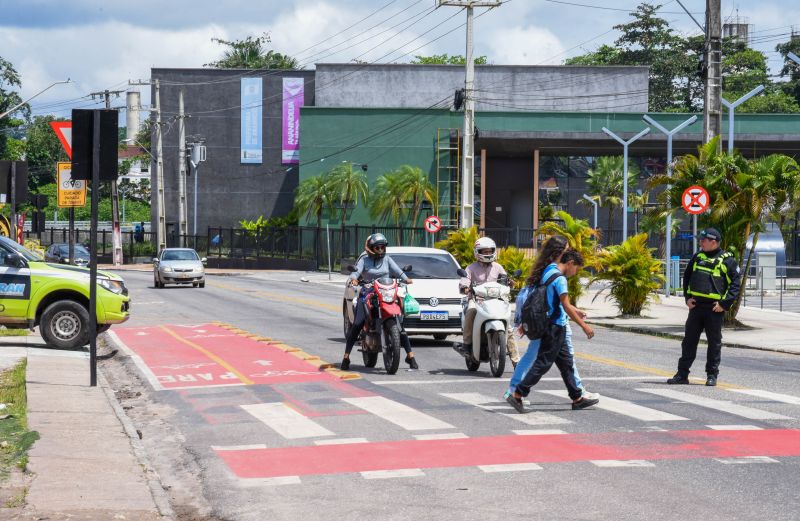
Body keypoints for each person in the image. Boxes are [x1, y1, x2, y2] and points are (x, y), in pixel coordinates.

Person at [505, 236, 598, 402]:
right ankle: (517, 392)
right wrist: (584, 326)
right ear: (569, 262)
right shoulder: (560, 278)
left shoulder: (548, 270)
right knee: (543, 362)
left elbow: (553, 298)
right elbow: (565, 305)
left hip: (555, 324)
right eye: (576, 268)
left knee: (566, 362)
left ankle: (577, 397)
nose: (575, 273)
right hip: (554, 326)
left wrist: (574, 310)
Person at [667, 227, 741, 387]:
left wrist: (724, 304)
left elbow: (735, 286)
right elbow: (686, 277)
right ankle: (682, 374)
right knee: (688, 342)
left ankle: (712, 375)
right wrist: (687, 298)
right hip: (696, 307)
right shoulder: (697, 257)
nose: (700, 242)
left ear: (713, 242)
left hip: (714, 309)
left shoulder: (728, 260)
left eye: (703, 240)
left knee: (714, 343)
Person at [341, 233, 416, 370]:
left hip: (386, 293)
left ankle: (410, 355)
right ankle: (346, 357)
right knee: (358, 323)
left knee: (399, 322)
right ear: (370, 248)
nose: (381, 250)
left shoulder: (387, 260)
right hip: (368, 293)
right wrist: (354, 279)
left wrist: (406, 279)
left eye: (382, 247)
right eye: (377, 247)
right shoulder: (364, 260)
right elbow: (355, 272)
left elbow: (398, 271)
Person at [458, 236, 519, 366]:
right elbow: (464, 281)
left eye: (489, 251)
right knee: (470, 311)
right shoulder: (471, 268)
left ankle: (516, 361)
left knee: (508, 329)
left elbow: (505, 279)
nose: (487, 253)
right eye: (484, 251)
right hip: (477, 300)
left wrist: (510, 282)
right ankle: (467, 345)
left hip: (496, 300)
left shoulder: (498, 267)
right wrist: (465, 288)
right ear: (477, 252)